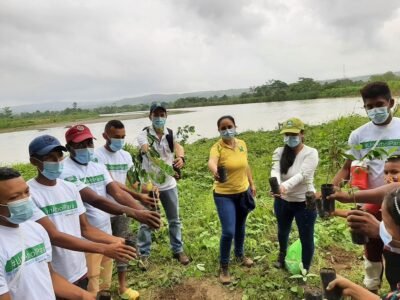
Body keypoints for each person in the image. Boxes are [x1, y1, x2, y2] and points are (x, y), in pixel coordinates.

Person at [27, 135, 136, 294]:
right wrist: (103, 249)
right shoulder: (28, 194)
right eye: (49, 158)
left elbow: (85, 229)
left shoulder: (70, 188)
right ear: (34, 161)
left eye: (58, 156)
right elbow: (54, 236)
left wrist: (117, 241)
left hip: (79, 268)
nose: (56, 162)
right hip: (54, 275)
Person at [61, 124, 160, 296]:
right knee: (91, 282)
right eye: (80, 145)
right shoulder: (65, 171)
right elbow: (94, 199)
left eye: (89, 143)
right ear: (69, 147)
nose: (86, 148)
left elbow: (114, 191)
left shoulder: (97, 165)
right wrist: (135, 213)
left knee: (105, 280)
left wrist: (141, 211)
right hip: (87, 236)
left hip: (106, 231)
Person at [332, 82, 400, 292]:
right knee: (371, 247)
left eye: (379, 104)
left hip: (397, 203)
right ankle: (371, 287)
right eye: (369, 106)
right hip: (368, 202)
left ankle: (394, 288)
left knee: (394, 246)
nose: (374, 110)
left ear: (390, 103)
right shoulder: (358, 135)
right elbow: (346, 168)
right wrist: (331, 189)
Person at [0, 167, 95, 300]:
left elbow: (50, 275)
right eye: (15, 197)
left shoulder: (36, 229)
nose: (25, 199)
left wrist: (84, 296)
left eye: (26, 192)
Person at [95, 120, 156, 299]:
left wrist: (149, 189)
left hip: (122, 210)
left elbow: (134, 182)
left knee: (123, 244)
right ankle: (98, 290)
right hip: (101, 210)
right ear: (105, 136)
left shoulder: (126, 156)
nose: (120, 140)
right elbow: (113, 185)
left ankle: (122, 287)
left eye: (123, 137)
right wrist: (138, 199)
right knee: (100, 252)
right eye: (116, 137)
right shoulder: (97, 157)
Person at [330, 156, 400, 291]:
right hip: (392, 258)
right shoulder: (388, 198)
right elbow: (368, 208)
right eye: (385, 173)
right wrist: (339, 207)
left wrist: (380, 231)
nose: (389, 176)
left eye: (394, 172)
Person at [136, 103, 189, 268]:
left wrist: (180, 158)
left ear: (166, 116)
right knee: (147, 220)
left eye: (162, 114)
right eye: (156, 115)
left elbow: (179, 147)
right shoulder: (143, 135)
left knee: (175, 220)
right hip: (150, 185)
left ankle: (178, 250)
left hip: (169, 184)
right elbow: (147, 151)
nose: (159, 118)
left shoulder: (170, 134)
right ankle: (143, 255)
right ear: (150, 116)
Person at [208, 115, 256, 284]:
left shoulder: (242, 144)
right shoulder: (217, 147)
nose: (227, 130)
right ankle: (224, 266)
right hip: (224, 195)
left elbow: (246, 165)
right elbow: (211, 162)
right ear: (219, 130)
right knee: (229, 231)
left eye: (230, 126)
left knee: (241, 226)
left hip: (242, 192)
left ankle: (240, 254)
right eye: (223, 128)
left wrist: (252, 183)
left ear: (235, 126)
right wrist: (215, 171)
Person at [270, 118, 319, 272]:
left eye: (294, 134)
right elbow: (275, 170)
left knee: (306, 236)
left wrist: (284, 186)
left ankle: (305, 268)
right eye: (287, 134)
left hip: (305, 202)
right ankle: (282, 256)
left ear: (302, 134)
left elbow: (303, 175)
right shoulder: (279, 151)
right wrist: (277, 186)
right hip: (283, 201)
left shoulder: (311, 153)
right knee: (282, 231)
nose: (290, 138)